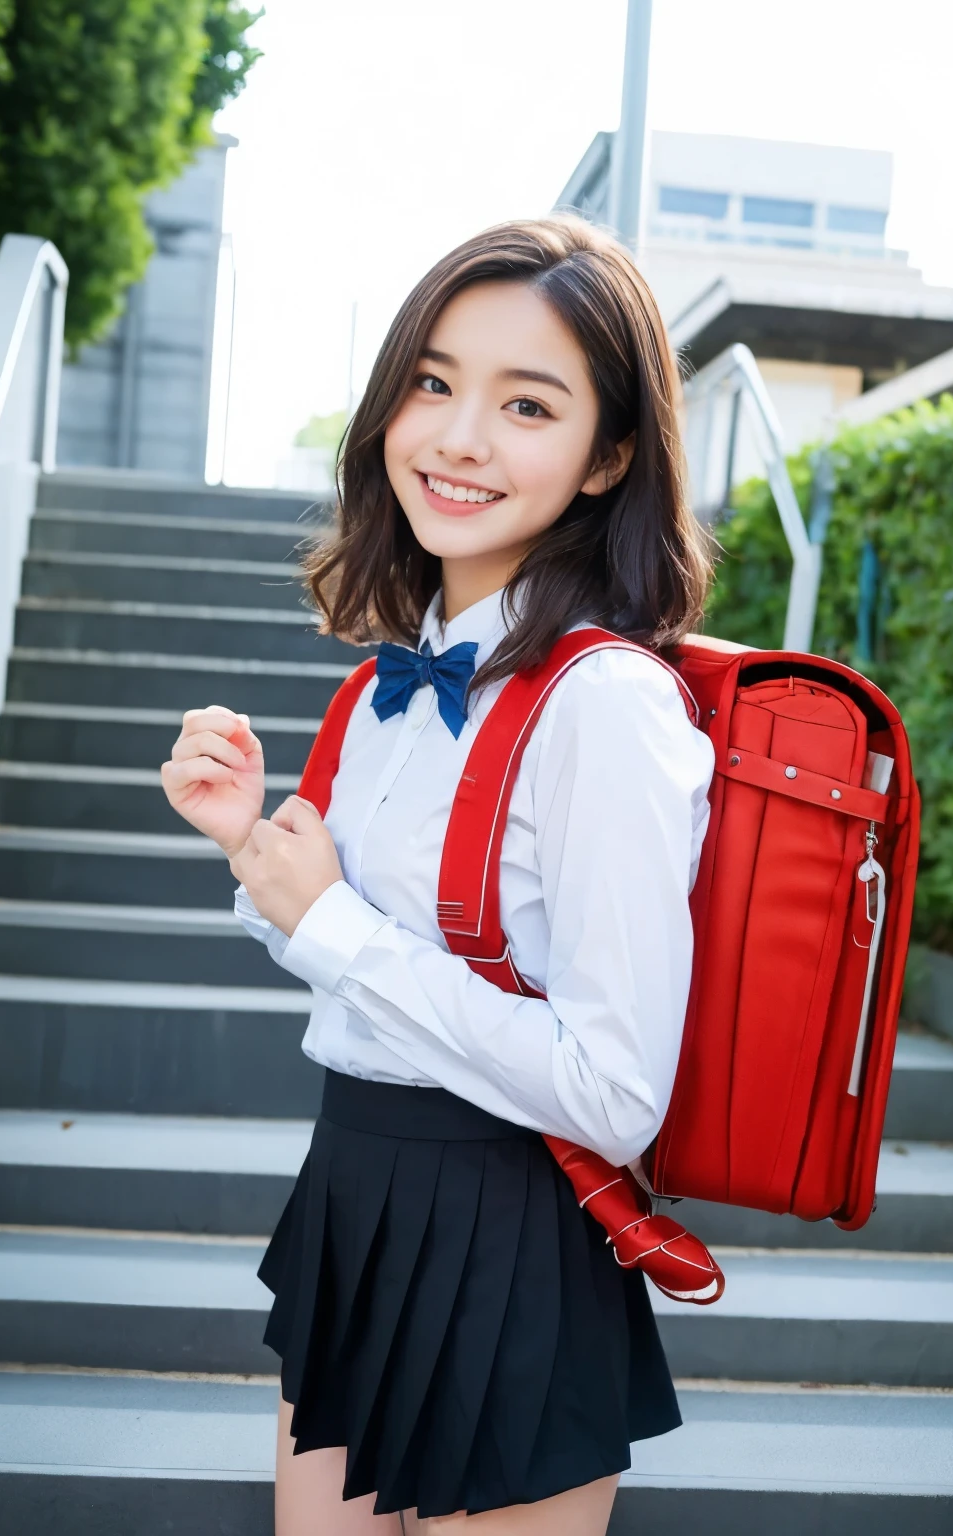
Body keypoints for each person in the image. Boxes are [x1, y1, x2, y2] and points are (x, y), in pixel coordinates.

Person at [161, 215, 715, 1535]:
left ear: (610, 457)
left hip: (516, 1228)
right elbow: (365, 957)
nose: (460, 437)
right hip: (358, 1193)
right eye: (433, 381)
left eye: (528, 404)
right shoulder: (383, 686)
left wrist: (335, 923)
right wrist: (257, 848)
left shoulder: (608, 708)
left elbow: (613, 1090)